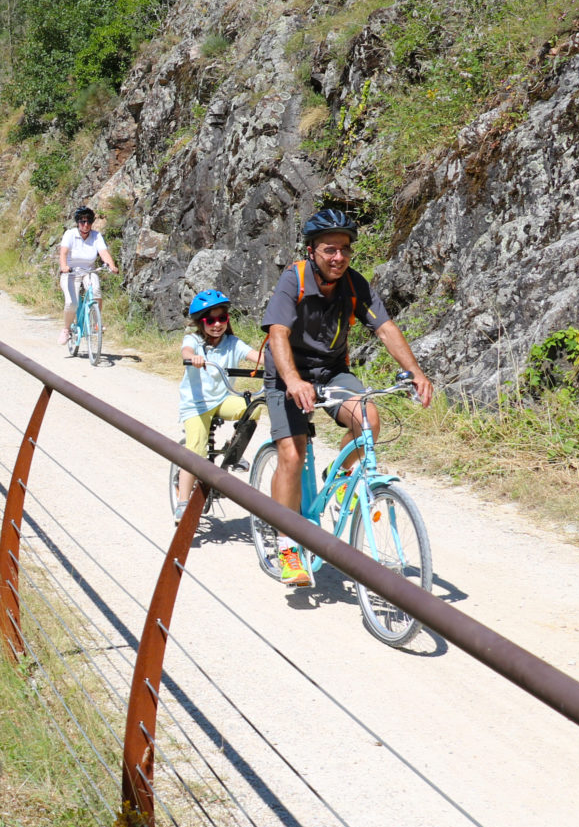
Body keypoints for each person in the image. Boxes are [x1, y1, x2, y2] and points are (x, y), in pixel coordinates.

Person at [260, 208, 434, 587]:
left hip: (331, 371)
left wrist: (415, 372)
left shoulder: (355, 285)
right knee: (292, 453)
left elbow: (385, 328)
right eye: (329, 250)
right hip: (287, 374)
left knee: (368, 419)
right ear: (311, 251)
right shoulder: (294, 279)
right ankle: (287, 544)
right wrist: (292, 380)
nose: (338, 257)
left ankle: (338, 478)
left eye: (344, 249)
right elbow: (277, 332)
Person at [175, 290, 257, 510]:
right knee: (196, 451)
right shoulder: (193, 340)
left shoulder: (232, 342)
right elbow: (186, 350)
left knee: (255, 407)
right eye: (210, 320)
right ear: (200, 323)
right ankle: (182, 501)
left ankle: (234, 453)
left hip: (221, 400)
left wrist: (278, 362)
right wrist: (193, 358)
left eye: (222, 318)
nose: (217, 324)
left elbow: (256, 357)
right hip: (196, 405)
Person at [57, 206, 117, 345]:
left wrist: (111, 265)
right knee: (72, 303)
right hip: (71, 272)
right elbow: (63, 253)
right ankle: (66, 330)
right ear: (78, 222)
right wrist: (64, 267)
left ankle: (97, 323)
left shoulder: (96, 236)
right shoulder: (70, 234)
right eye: (82, 221)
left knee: (96, 293)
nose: (86, 225)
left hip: (89, 271)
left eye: (89, 221)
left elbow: (104, 253)